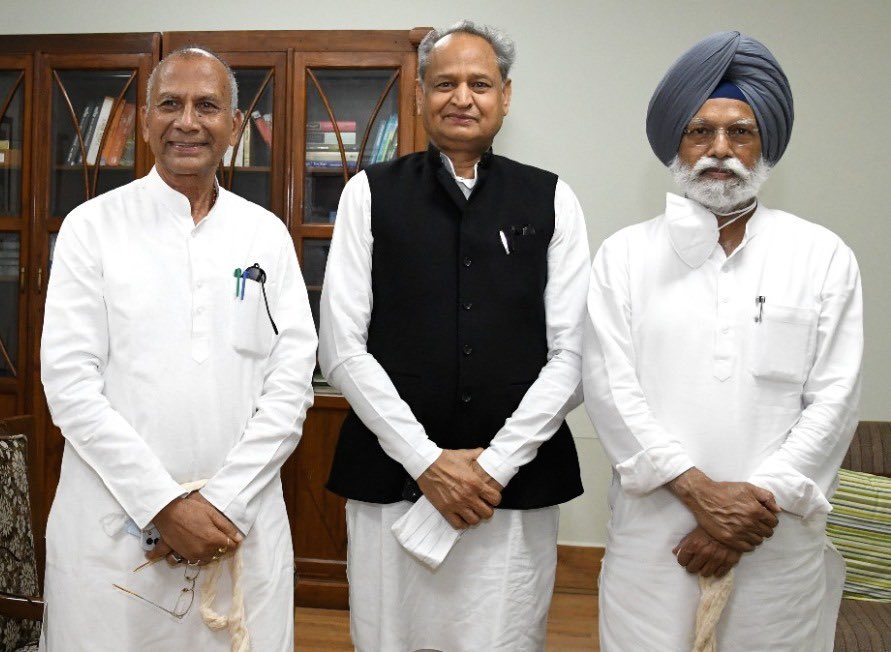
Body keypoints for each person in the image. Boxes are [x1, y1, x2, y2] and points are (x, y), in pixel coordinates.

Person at [583, 31, 863, 651]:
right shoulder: (625, 255)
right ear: (675, 145)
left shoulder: (821, 255)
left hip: (775, 535)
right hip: (656, 535)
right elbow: (610, 392)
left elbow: (836, 399)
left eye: (740, 132)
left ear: (766, 146)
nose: (719, 149)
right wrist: (700, 494)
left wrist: (751, 508)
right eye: (699, 131)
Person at [319, 20, 589, 651]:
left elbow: (573, 354)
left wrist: (492, 467)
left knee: (505, 637)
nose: (462, 97)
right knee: (388, 637)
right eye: (444, 83)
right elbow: (341, 348)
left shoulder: (551, 198)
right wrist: (426, 461)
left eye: (480, 83)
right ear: (419, 95)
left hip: (513, 486)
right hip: (391, 478)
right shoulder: (368, 194)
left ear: (506, 95)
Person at [39, 47, 316, 650]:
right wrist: (163, 505)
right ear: (145, 121)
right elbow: (70, 386)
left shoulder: (265, 234)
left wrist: (223, 501)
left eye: (207, 106)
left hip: (238, 523)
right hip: (115, 536)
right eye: (170, 104)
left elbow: (291, 381)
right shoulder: (91, 228)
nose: (187, 122)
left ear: (234, 126)